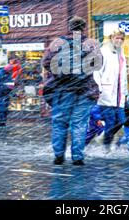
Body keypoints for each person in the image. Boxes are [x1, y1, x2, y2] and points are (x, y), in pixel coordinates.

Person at [42, 16, 101, 165]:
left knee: (59, 124)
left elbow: (46, 63)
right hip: (84, 91)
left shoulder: (57, 43)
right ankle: (77, 157)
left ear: (69, 27)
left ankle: (58, 155)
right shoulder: (91, 44)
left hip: (62, 91)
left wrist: (60, 75)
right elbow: (98, 64)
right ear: (84, 27)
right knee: (79, 124)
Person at [93, 28, 128, 152]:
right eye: (116, 38)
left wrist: (125, 91)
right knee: (111, 122)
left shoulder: (121, 53)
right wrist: (99, 89)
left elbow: (123, 75)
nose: (119, 40)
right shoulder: (103, 52)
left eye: (121, 38)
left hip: (119, 96)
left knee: (121, 120)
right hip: (107, 95)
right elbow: (96, 72)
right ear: (111, 38)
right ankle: (106, 146)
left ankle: (104, 137)